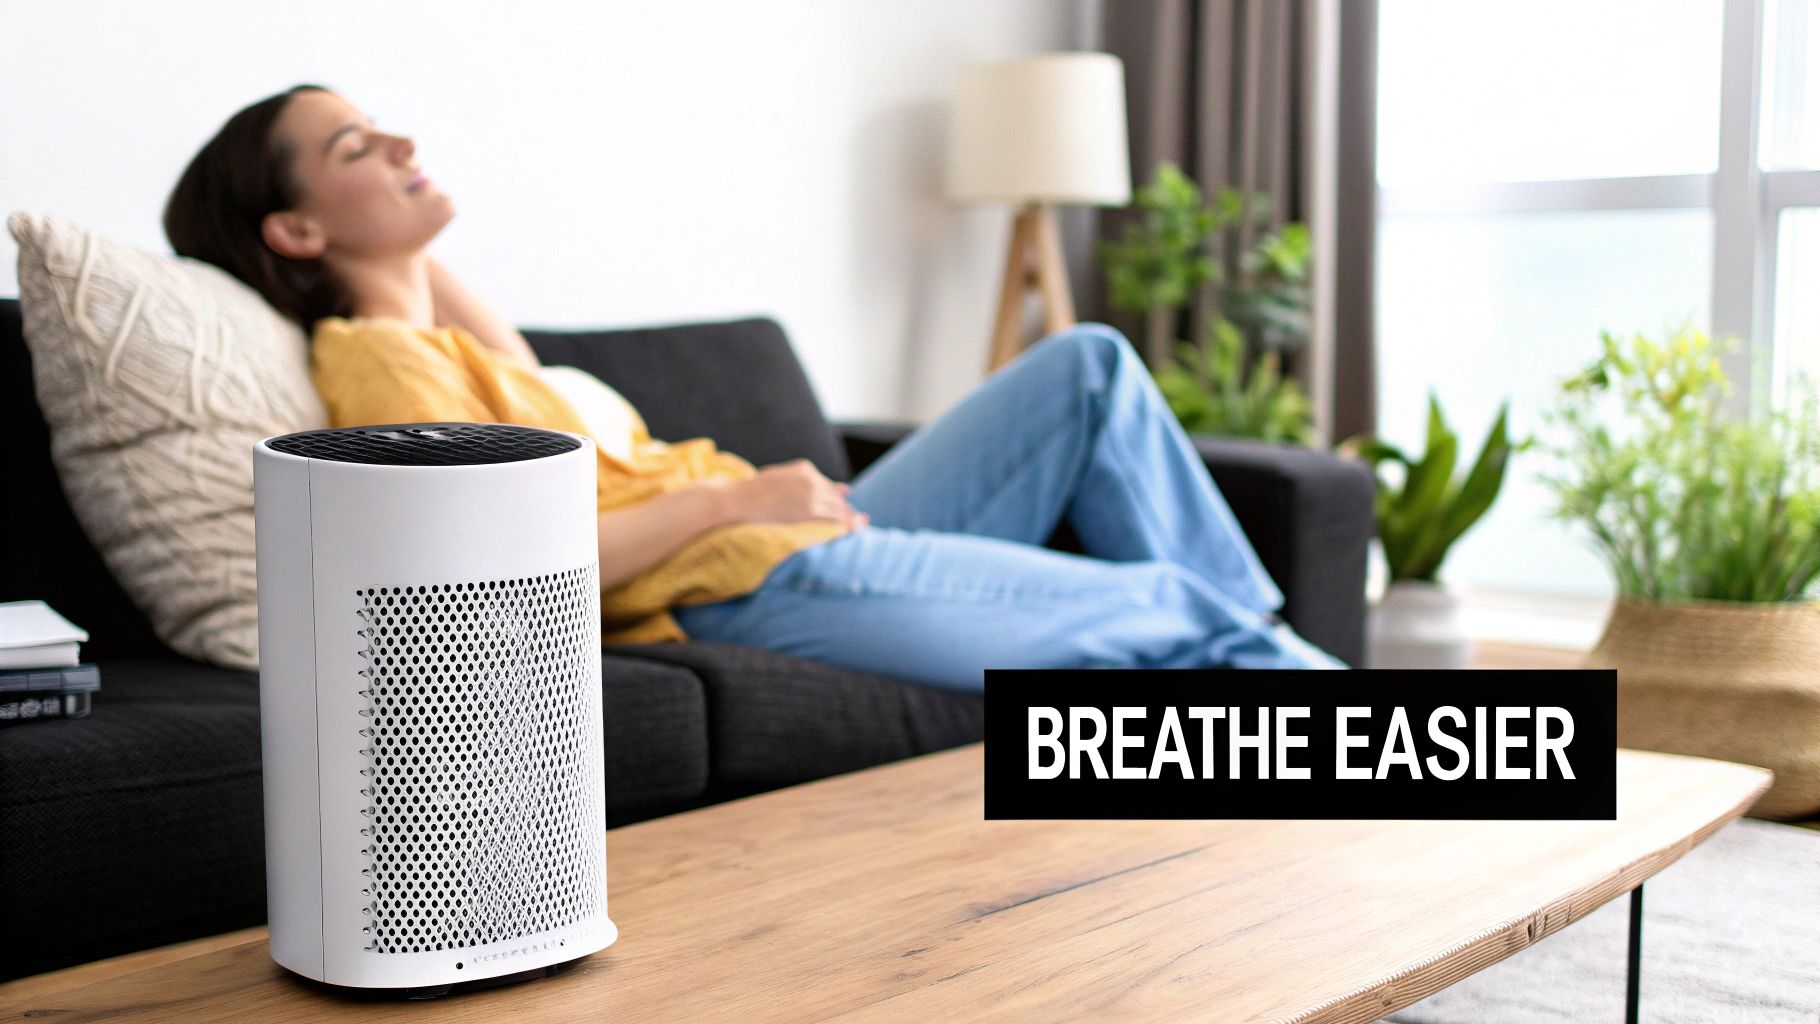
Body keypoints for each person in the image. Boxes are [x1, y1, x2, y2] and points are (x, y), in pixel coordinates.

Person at [164, 85, 1343, 690]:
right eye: (355, 149)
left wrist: (394, 228)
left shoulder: (444, 341)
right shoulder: (378, 358)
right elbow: (504, 557)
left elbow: (479, 332)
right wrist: (738, 499)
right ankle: (1354, 761)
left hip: (786, 538)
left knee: (1087, 367)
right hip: (747, 575)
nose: (401, 145)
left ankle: (1273, 653)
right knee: (1174, 608)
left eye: (385, 126)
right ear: (295, 229)